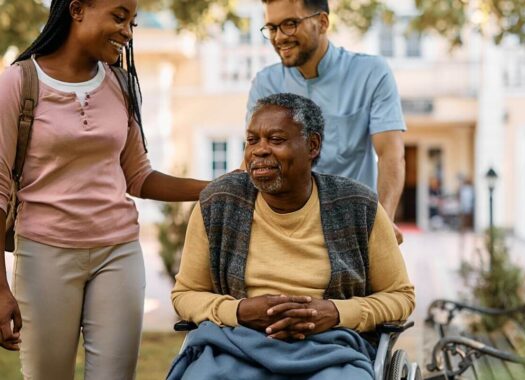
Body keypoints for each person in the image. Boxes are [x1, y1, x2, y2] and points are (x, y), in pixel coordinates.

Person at [0, 0, 209, 378]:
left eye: (132, 22)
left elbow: (139, 176)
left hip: (119, 254)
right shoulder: (18, 82)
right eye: (119, 17)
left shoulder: (120, 84)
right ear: (77, 9)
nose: (127, 32)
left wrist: (215, 187)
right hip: (45, 255)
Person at [167, 93, 414, 380]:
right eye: (252, 140)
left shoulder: (358, 206)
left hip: (331, 350)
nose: (259, 150)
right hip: (234, 345)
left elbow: (401, 296)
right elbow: (185, 295)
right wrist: (240, 311)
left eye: (275, 140)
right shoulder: (218, 203)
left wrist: (335, 312)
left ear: (312, 145)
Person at [247, 0, 406, 243]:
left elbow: (391, 155)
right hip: (285, 233)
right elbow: (255, 160)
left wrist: (383, 223)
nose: (279, 37)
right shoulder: (264, 84)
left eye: (290, 24)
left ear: (322, 23)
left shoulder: (372, 73)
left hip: (353, 229)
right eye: (272, 28)